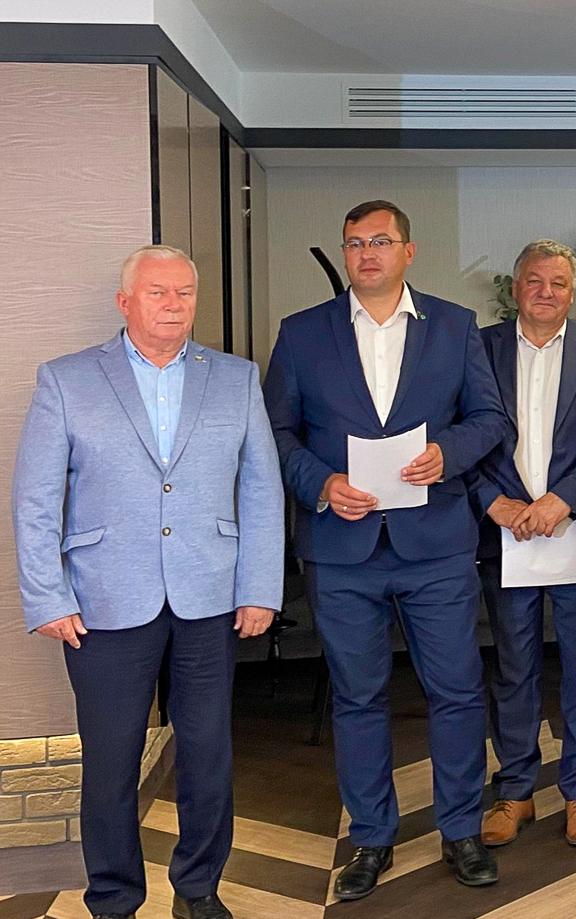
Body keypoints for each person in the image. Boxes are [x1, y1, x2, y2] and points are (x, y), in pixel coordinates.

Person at [13, 245, 284, 919]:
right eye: (158, 292)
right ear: (125, 302)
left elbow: (261, 488)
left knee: (208, 754)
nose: (174, 304)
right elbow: (36, 498)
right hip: (102, 601)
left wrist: (260, 586)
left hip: (210, 597)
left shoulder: (235, 378)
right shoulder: (67, 380)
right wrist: (47, 595)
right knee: (111, 762)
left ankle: (199, 890)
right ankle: (113, 899)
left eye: (184, 292)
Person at [264, 200, 508, 899]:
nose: (366, 253)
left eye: (380, 240)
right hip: (342, 548)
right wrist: (320, 483)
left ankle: (461, 829)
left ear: (408, 250)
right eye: (354, 243)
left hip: (435, 545)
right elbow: (276, 431)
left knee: (456, 690)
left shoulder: (455, 326)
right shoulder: (302, 332)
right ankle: (371, 836)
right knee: (357, 695)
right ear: (345, 253)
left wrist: (448, 453)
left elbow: (489, 417)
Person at [471, 240, 576, 850]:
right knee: (513, 667)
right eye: (534, 280)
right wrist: (491, 501)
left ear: (573, 293)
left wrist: (565, 497)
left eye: (557, 282)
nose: (545, 292)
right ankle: (516, 790)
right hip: (506, 535)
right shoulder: (479, 349)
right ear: (515, 287)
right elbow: (460, 433)